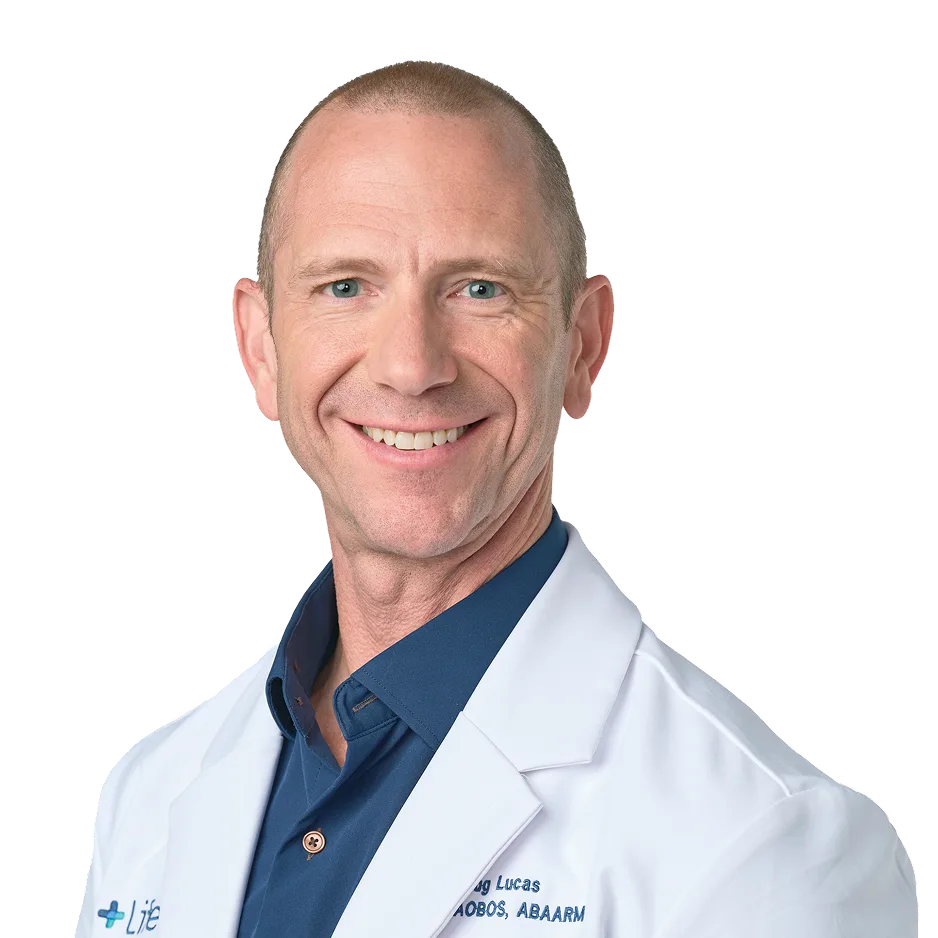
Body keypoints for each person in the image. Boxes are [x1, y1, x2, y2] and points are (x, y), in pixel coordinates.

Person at [76, 59, 917, 937]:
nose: (411, 366)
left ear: (584, 346)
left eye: (480, 289)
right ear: (260, 348)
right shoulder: (149, 791)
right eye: (345, 287)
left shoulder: (767, 846)